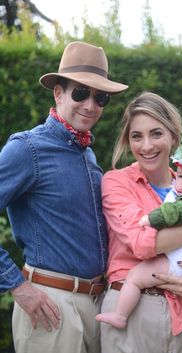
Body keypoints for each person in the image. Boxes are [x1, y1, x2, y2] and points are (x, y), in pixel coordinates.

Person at [0, 41, 128, 353]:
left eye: (101, 97)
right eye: (80, 93)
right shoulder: (27, 149)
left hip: (96, 306)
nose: (91, 105)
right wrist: (16, 285)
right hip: (51, 306)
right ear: (58, 93)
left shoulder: (89, 155)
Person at [97, 92, 182, 353]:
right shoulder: (116, 182)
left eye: (156, 133)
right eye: (136, 136)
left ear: (174, 137)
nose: (146, 145)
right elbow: (142, 244)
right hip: (135, 314)